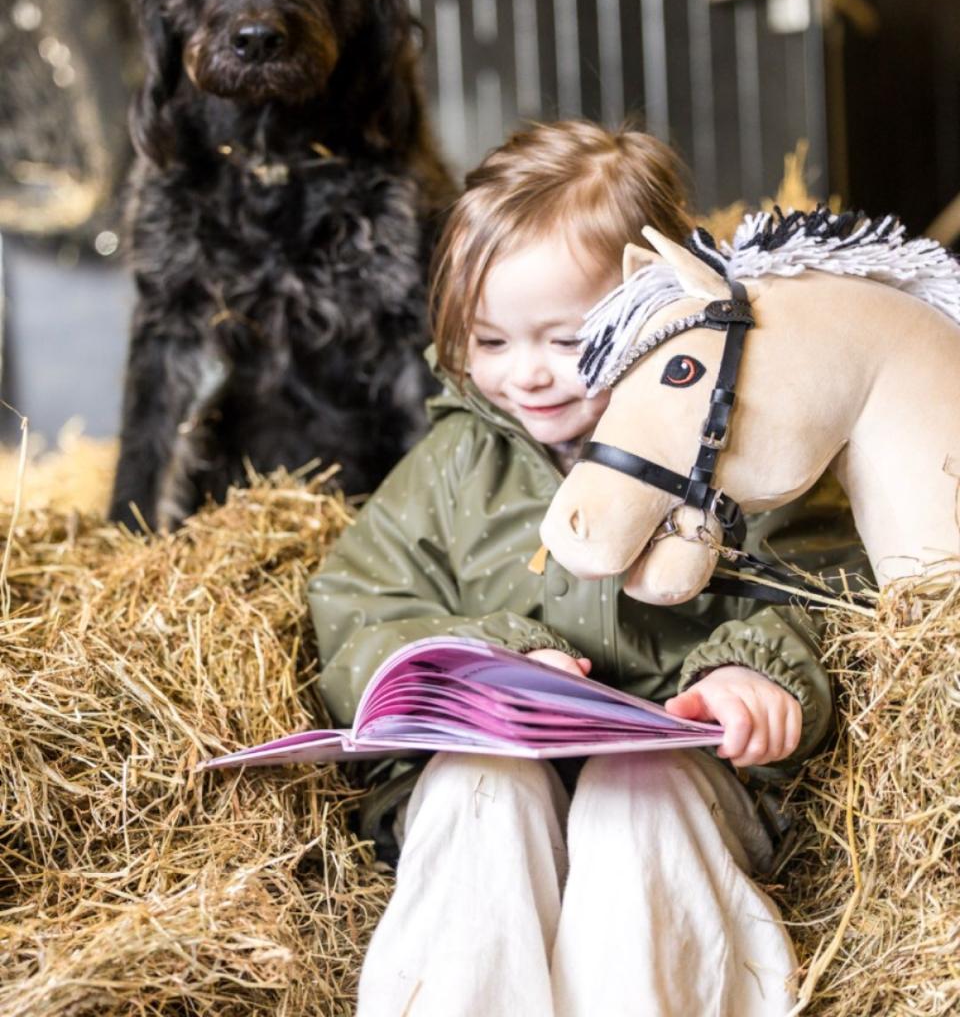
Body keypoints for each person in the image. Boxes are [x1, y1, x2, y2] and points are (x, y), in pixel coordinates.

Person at [308, 120, 842, 1017]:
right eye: (490, 342)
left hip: (686, 768)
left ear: (660, 307)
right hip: (489, 765)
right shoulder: (450, 469)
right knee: (481, 792)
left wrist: (755, 670)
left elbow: (822, 578)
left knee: (639, 794)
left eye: (568, 340)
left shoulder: (732, 447)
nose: (530, 376)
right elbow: (360, 611)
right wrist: (486, 659)